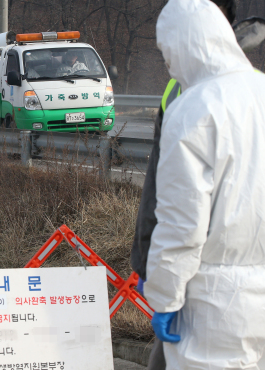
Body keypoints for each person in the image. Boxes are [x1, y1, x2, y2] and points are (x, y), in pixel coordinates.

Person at [130, 0, 265, 368]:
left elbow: (181, 226)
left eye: (166, 50)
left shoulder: (193, 108)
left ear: (183, 43)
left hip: (213, 304)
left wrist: (164, 296)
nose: (168, 62)